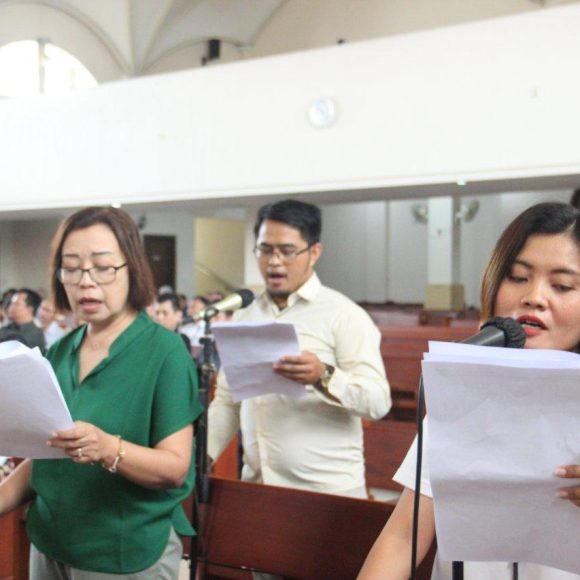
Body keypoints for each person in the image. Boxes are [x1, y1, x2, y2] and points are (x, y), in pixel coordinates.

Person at [358, 201, 580, 580]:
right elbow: (402, 538)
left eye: (561, 285)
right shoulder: (462, 397)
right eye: (517, 277)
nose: (535, 296)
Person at [0, 206, 202, 579]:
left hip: (123, 551)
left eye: (103, 267)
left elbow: (174, 467)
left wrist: (108, 447)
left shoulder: (164, 352)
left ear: (132, 268)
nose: (85, 282)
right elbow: (45, 453)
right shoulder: (62, 349)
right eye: (71, 267)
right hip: (51, 542)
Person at [208, 199, 391, 498]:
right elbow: (229, 400)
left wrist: (323, 375)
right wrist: (201, 458)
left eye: (287, 251)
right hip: (257, 485)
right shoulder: (246, 315)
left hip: (327, 492)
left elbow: (378, 401)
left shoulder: (343, 315)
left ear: (314, 252)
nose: (274, 261)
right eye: (265, 249)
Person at [4, 288, 46, 352]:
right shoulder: (7, 327)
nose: (10, 306)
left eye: (16, 304)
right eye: (11, 303)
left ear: (30, 309)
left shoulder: (34, 334)